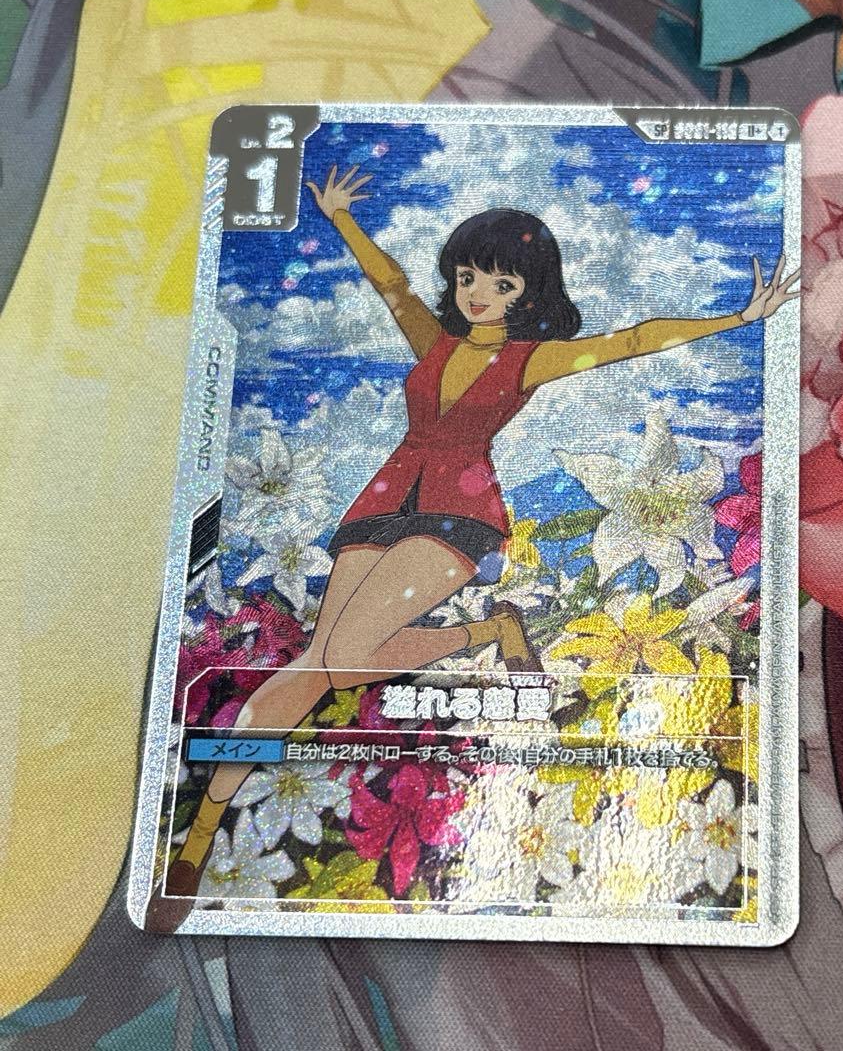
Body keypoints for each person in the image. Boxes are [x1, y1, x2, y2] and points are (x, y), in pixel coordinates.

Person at [161, 163, 799, 904]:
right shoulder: (434, 342)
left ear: (529, 294)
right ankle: (198, 841)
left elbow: (632, 341)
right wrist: (340, 219)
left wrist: (738, 319)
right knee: (318, 663)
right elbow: (391, 285)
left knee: (336, 658)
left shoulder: (531, 360)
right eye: (468, 277)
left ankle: (483, 634)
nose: (479, 294)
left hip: (459, 512)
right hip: (385, 499)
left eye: (500, 283)